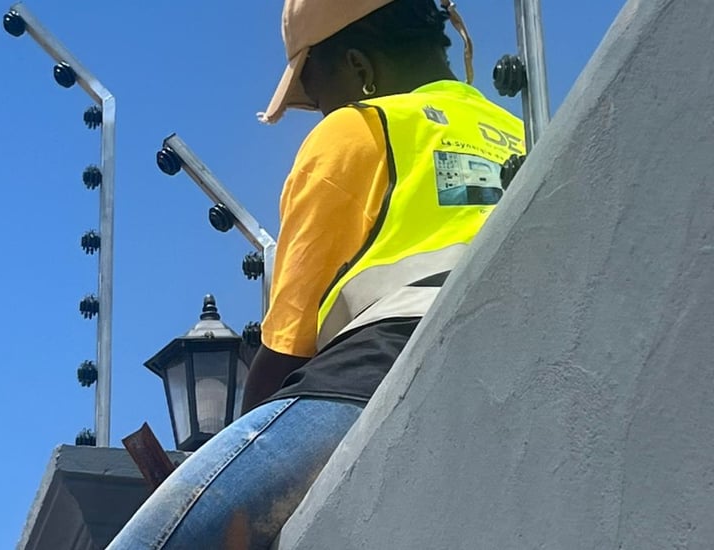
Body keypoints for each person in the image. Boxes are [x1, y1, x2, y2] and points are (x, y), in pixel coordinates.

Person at [107, 0, 524, 548]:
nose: (324, 112)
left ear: (359, 67)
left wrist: (237, 445)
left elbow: (286, 351)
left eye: (318, 90)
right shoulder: (526, 130)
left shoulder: (358, 128)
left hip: (368, 382)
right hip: (512, 366)